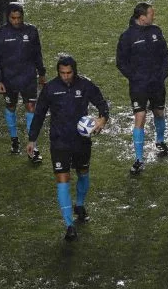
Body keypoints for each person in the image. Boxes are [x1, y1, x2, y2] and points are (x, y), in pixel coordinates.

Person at [28, 55, 109, 242]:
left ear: (75, 71)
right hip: (59, 142)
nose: (65, 76)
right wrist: (32, 140)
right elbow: (39, 114)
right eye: (62, 73)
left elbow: (102, 105)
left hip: (81, 141)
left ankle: (79, 205)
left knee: (83, 173)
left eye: (69, 73)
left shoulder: (86, 85)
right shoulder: (50, 89)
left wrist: (102, 119)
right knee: (62, 180)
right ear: (58, 72)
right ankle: (69, 225)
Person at [116, 1, 168, 175]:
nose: (153, 16)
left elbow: (165, 54)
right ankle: (139, 159)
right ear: (142, 18)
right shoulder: (127, 37)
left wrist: (163, 73)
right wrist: (134, 77)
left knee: (159, 112)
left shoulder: (156, 31)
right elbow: (121, 62)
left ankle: (160, 141)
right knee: (140, 117)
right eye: (151, 14)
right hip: (139, 85)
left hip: (157, 83)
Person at [0, 2, 46, 160]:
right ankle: (14, 140)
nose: (16, 21)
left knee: (31, 107)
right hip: (9, 80)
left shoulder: (31, 31)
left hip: (28, 77)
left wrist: (41, 73)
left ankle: (33, 146)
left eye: (19, 18)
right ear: (8, 17)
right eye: (13, 18)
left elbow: (37, 54)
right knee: (11, 107)